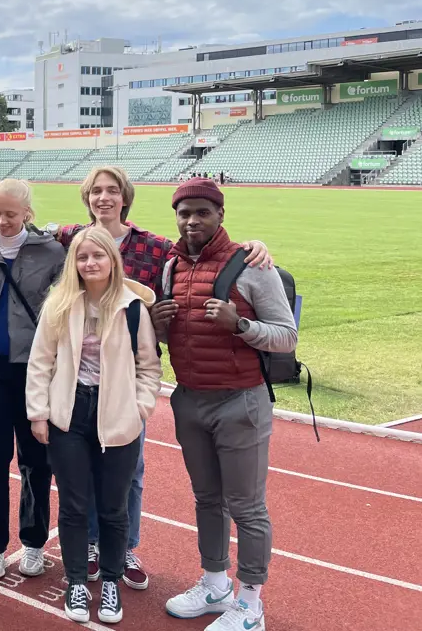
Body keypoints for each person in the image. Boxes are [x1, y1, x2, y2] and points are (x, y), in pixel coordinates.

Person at [54, 166, 271, 589]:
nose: (104, 198)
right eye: (96, 191)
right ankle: (95, 546)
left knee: (127, 469)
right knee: (84, 471)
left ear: (125, 197)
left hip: (132, 373)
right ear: (86, 198)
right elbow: (13, 223)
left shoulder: (156, 249)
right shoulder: (71, 239)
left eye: (112, 191)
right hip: (81, 377)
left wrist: (255, 247)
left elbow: (199, 257)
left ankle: (124, 546)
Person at [152, 178, 297, 631]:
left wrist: (241, 325)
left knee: (247, 506)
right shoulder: (169, 266)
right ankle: (215, 583)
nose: (192, 221)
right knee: (206, 499)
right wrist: (157, 326)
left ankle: (251, 602)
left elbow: (287, 335)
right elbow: (177, 335)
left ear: (220, 215)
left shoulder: (253, 266)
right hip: (190, 399)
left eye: (202, 212)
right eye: (184, 213)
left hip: (241, 401)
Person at [26, 227, 162, 624]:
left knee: (114, 507)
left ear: (112, 261)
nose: (90, 263)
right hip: (70, 414)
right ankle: (76, 584)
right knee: (73, 505)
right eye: (83, 257)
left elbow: (149, 366)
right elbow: (41, 362)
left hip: (118, 414)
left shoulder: (133, 306)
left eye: (98, 256)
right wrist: (39, 412)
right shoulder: (60, 303)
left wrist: (140, 408)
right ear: (75, 262)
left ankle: (111, 585)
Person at [0, 178, 65, 580]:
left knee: (37, 461)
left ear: (27, 213)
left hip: (35, 370)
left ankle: (34, 542)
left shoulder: (52, 251)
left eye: (10, 213)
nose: (2, 221)